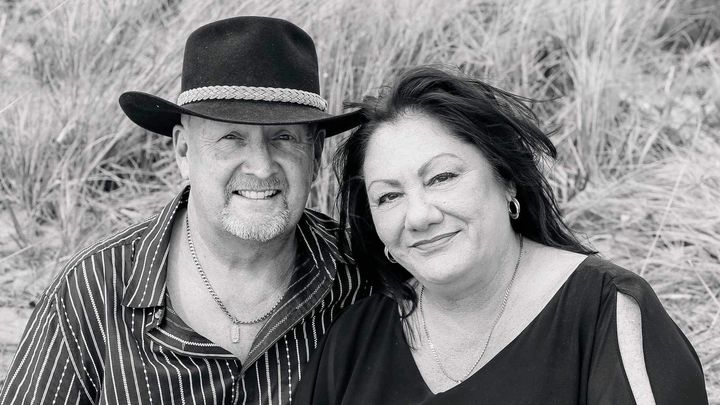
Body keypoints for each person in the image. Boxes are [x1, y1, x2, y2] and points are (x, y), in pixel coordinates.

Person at [0, 17, 373, 404]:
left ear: (315, 155)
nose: (262, 167)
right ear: (183, 151)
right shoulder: (95, 288)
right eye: (231, 137)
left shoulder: (360, 278)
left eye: (284, 137)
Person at [294, 66, 707, 404]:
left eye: (442, 177)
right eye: (388, 196)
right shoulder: (352, 341)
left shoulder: (606, 311)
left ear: (506, 179)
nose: (418, 216)